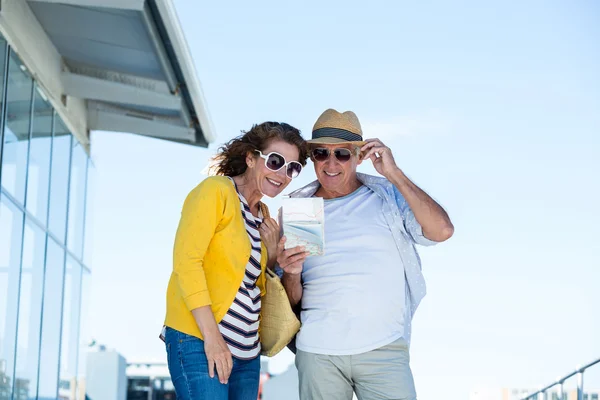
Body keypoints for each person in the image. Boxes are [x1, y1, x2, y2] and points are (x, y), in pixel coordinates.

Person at [277, 109, 454, 400]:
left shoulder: (386, 196)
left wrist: (394, 174)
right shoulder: (302, 211)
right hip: (319, 353)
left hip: (383, 350)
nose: (331, 163)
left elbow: (442, 230)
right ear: (313, 158)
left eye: (343, 154)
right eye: (321, 153)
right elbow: (293, 300)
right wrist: (292, 275)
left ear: (359, 156)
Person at [162, 121, 308, 400]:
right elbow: (186, 263)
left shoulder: (265, 215)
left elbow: (251, 283)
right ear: (251, 158)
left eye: (293, 168)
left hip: (247, 353)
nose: (283, 174)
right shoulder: (216, 191)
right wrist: (213, 338)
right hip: (200, 340)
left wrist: (274, 255)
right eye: (275, 161)